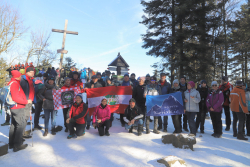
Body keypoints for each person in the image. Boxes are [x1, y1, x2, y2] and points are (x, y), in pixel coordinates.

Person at [8, 70, 32, 152]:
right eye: (20, 75)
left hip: (14, 107)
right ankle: (17, 145)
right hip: (17, 107)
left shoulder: (12, 82)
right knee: (20, 125)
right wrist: (26, 101)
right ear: (17, 76)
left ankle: (11, 143)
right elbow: (15, 98)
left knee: (14, 125)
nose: (21, 76)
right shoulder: (14, 84)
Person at [20, 67, 36, 139]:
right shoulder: (23, 79)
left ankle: (22, 133)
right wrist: (25, 100)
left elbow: (32, 90)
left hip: (30, 101)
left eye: (33, 72)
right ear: (27, 72)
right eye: (31, 72)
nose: (33, 73)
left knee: (26, 118)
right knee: (23, 118)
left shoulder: (31, 80)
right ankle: (20, 135)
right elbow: (21, 91)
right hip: (25, 102)